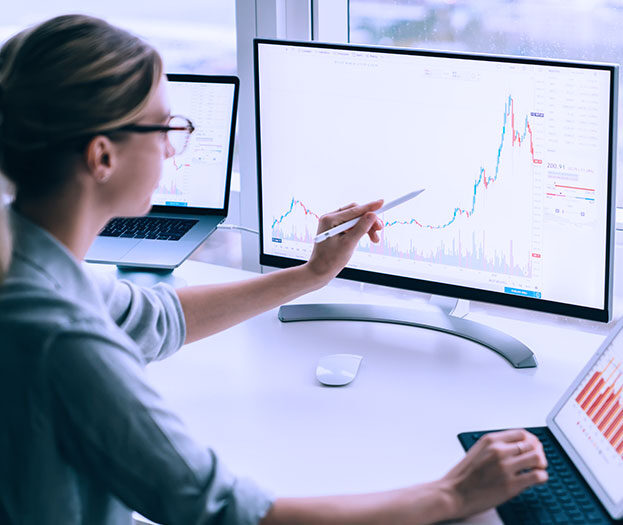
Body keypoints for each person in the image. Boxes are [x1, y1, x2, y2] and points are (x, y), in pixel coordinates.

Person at [0, 14, 548, 525]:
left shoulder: (27, 255)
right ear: (102, 158)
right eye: (164, 128)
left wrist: (310, 275)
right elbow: (223, 511)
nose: (172, 148)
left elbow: (155, 317)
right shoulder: (61, 338)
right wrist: (451, 494)